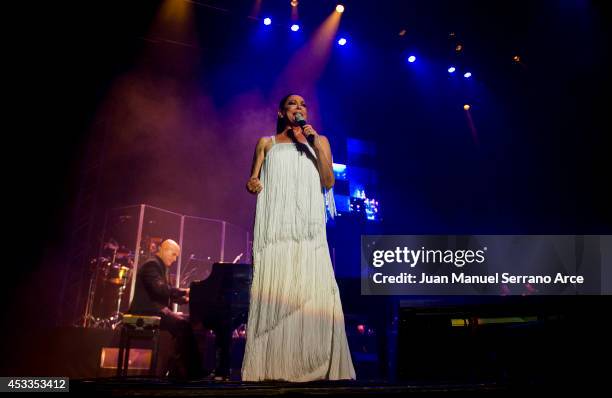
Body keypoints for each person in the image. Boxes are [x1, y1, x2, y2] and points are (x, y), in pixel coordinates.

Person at [241, 94, 356, 381]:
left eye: (303, 105)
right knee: (278, 290)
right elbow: (253, 180)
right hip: (276, 228)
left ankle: (313, 362)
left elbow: (328, 182)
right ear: (282, 112)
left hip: (308, 229)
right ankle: (271, 366)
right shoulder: (266, 143)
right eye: (293, 104)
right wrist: (254, 182)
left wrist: (315, 141)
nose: (299, 108)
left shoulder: (321, 141)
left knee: (312, 287)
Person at [128, 239, 202, 379]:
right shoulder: (152, 265)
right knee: (183, 325)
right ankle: (192, 373)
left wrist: (186, 299)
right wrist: (184, 291)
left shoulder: (161, 267)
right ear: (163, 249)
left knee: (189, 322)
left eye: (176, 256)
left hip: (156, 310)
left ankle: (180, 370)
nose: (175, 259)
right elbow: (160, 289)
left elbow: (165, 294)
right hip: (145, 311)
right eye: (173, 254)